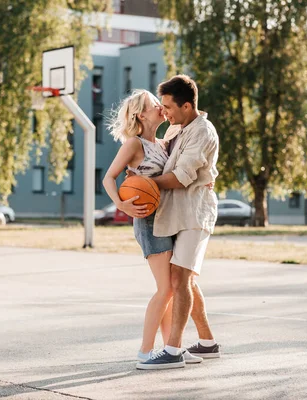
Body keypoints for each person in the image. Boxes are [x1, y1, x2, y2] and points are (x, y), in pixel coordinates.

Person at [102, 89, 203, 365]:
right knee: (166, 289)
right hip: (147, 221)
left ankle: (173, 348)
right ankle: (145, 352)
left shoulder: (163, 142)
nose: (161, 106)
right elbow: (109, 178)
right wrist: (121, 206)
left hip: (166, 218)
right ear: (141, 114)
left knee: (171, 287)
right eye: (154, 103)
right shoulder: (133, 145)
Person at [136, 75, 221, 370]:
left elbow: (180, 178)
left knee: (180, 279)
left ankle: (172, 349)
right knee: (186, 279)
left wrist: (142, 183)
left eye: (169, 107)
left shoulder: (203, 132)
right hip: (176, 213)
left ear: (187, 105)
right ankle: (208, 342)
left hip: (195, 214)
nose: (165, 112)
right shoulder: (176, 128)